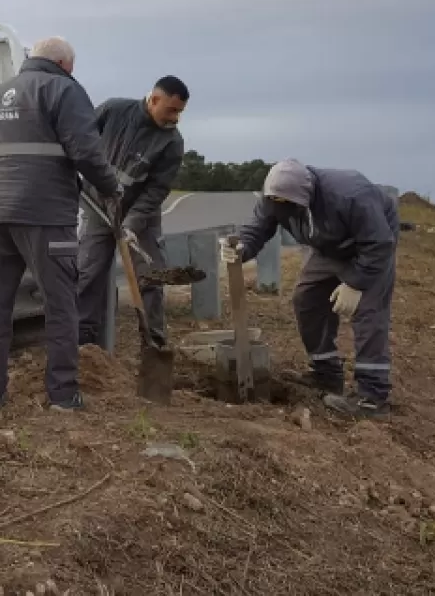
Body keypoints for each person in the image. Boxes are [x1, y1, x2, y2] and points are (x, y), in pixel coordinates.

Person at [0, 36, 122, 412]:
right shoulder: (65, 91)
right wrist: (112, 188)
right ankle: (63, 396)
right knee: (61, 305)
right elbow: (85, 151)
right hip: (46, 215)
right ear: (65, 64)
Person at [222, 159, 399, 418]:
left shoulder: (351, 195)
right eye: (277, 203)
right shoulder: (275, 198)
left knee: (368, 311)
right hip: (327, 247)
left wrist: (355, 282)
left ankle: (372, 398)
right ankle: (326, 374)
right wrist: (242, 249)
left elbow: (380, 242)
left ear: (306, 195)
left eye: (290, 205)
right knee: (307, 299)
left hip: (369, 247)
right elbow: (257, 229)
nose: (282, 208)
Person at [76, 76, 189, 348]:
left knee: (151, 276)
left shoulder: (172, 142)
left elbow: (157, 190)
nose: (175, 118)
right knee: (88, 275)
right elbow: (79, 138)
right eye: (171, 110)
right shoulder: (114, 110)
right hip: (97, 208)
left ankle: (154, 343)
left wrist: (132, 224)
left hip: (142, 216)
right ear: (153, 100)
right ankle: (84, 343)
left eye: (180, 112)